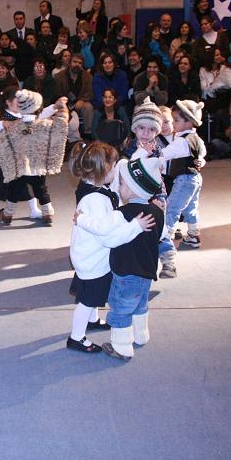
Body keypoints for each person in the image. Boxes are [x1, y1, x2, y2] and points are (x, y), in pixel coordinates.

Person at [67, 141, 155, 353]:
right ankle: (76, 337)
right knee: (87, 300)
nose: (116, 172)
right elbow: (109, 238)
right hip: (92, 259)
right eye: (114, 167)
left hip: (90, 255)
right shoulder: (95, 200)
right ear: (103, 170)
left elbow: (122, 178)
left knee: (94, 295)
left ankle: (93, 320)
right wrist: (135, 227)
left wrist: (141, 153)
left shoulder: (94, 185)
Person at [101, 156, 165, 361]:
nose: (119, 187)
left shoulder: (121, 214)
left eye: (121, 183)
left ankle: (121, 347)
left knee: (121, 308)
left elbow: (109, 240)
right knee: (140, 303)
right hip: (147, 270)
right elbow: (162, 235)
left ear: (132, 189)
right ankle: (141, 335)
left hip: (126, 271)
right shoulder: (158, 212)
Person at [0, 89, 68, 224]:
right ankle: (48, 214)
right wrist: (61, 109)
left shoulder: (15, 124)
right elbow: (59, 123)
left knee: (13, 190)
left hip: (20, 166)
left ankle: (7, 214)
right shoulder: (41, 122)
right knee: (41, 190)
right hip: (38, 166)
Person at [158, 99, 207, 281]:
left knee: (172, 210)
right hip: (195, 178)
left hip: (184, 180)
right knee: (191, 208)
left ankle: (166, 238)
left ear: (189, 122)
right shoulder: (196, 138)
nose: (173, 123)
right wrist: (201, 161)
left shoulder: (181, 141)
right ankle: (193, 235)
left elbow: (164, 154)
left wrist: (150, 156)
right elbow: (202, 153)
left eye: (176, 120)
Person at [55, 52, 93, 135]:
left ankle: (88, 133)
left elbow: (89, 92)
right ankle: (63, 134)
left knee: (88, 107)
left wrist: (82, 100)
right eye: (75, 62)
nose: (77, 65)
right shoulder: (59, 76)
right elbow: (57, 94)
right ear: (69, 63)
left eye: (80, 63)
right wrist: (65, 104)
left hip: (80, 104)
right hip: (64, 104)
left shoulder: (87, 76)